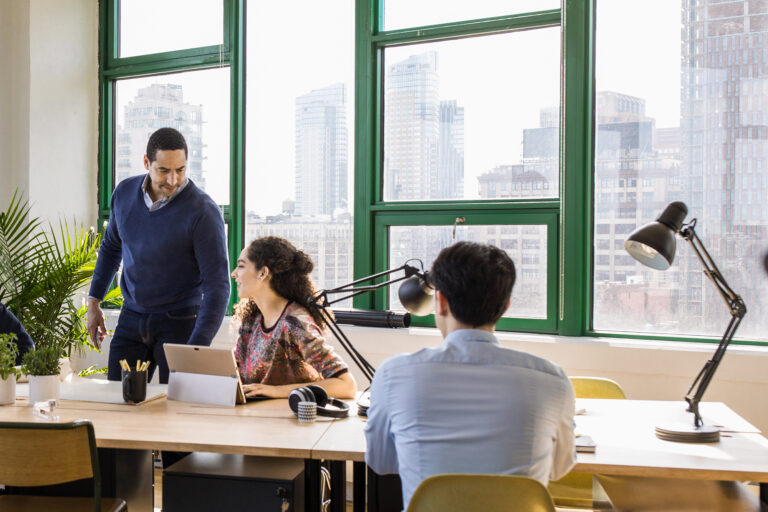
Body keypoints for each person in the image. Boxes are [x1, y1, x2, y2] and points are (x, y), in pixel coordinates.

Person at [364, 241, 576, 509]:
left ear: (439, 302)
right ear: (505, 307)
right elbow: (559, 468)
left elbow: (381, 462)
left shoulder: (394, 374)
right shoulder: (553, 380)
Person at [87, 127, 230, 384]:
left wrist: (195, 349)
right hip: (131, 318)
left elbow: (218, 288)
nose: (173, 180)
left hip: (180, 321)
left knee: (176, 412)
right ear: (146, 163)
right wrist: (94, 301)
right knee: (119, 402)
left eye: (181, 170)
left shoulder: (203, 212)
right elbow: (111, 248)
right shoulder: (123, 193)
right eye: (164, 170)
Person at [231, 236, 356, 399]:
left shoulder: (295, 323)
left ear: (263, 273)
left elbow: (346, 385)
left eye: (241, 266)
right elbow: (236, 372)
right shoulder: (251, 320)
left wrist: (275, 391)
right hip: (256, 416)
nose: (234, 274)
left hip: (292, 419)